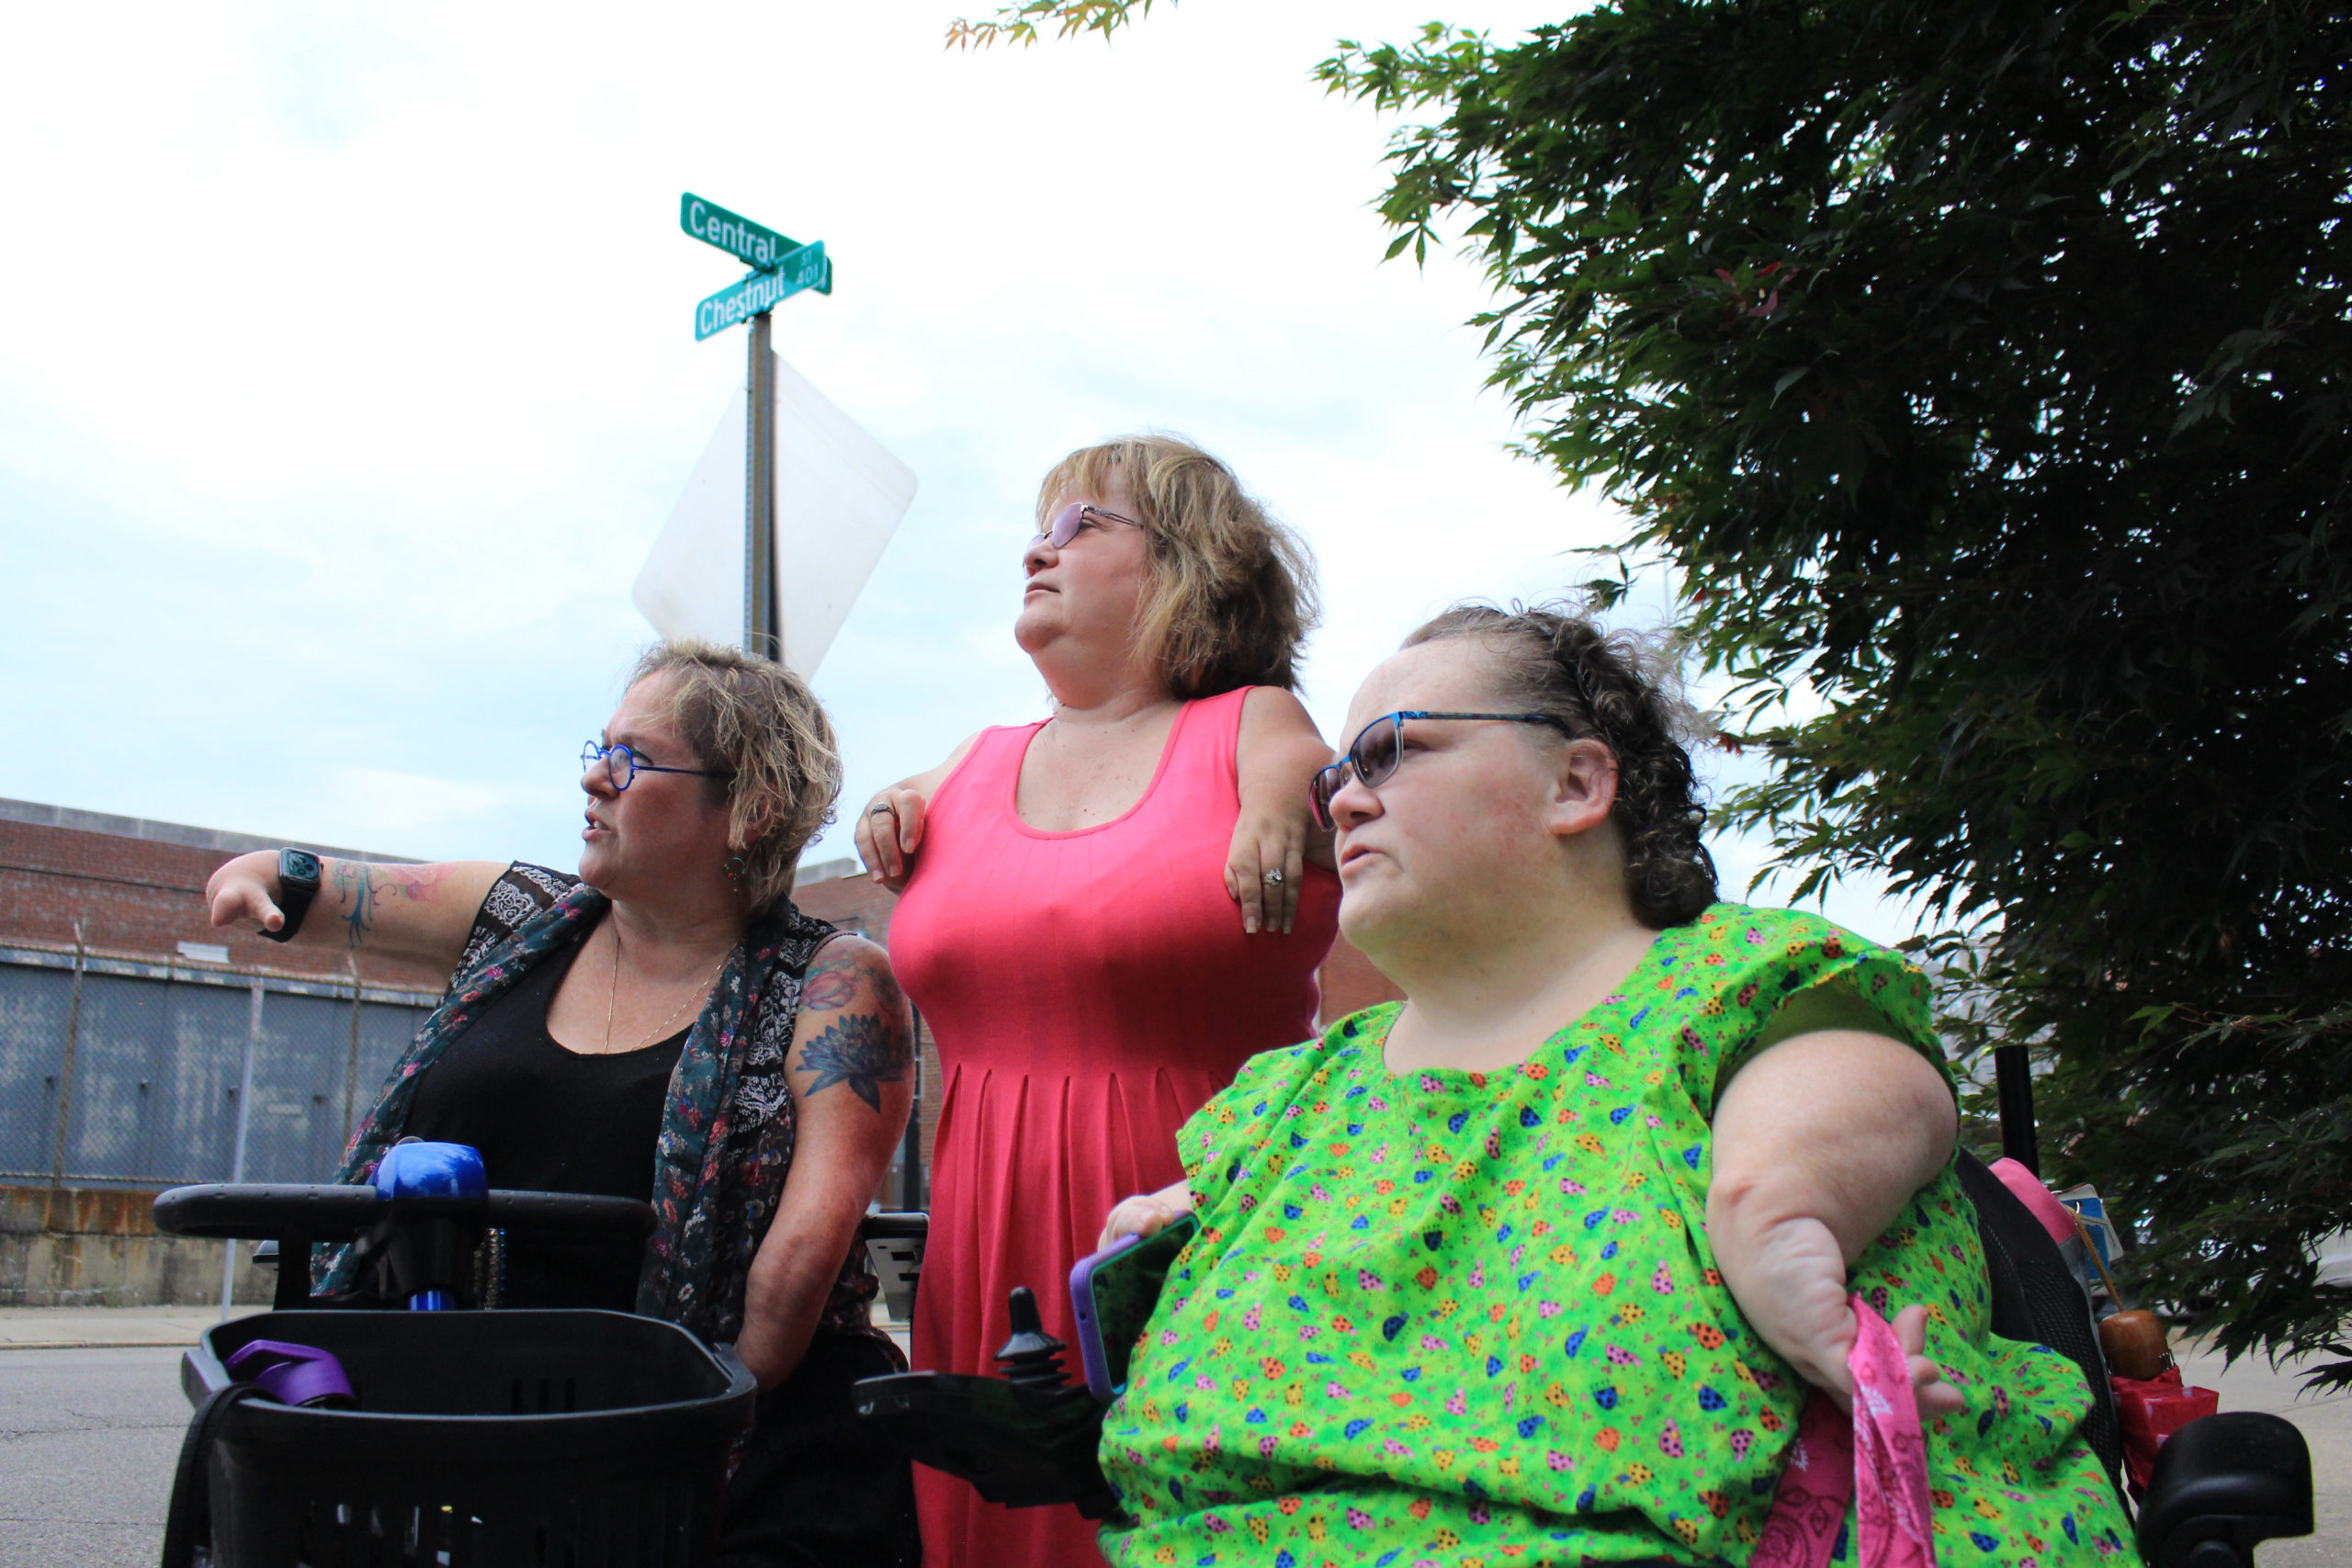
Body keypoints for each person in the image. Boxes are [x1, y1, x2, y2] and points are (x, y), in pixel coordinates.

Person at [1090, 604, 2138, 1564]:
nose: (1344, 798)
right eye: (1332, 778)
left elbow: (1888, 1090)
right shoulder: (1296, 1098)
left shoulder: (1732, 987)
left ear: (1577, 785)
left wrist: (1777, 1208)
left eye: (1393, 749)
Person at [204, 639, 922, 1568]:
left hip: (725, 1450)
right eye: (598, 746)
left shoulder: (833, 982)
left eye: (630, 759)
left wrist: (678, 1423)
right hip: (475, 1427)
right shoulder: (516, 916)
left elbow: (795, 1272)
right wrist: (264, 877)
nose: (593, 777)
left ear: (751, 809)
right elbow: (331, 888)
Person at [860, 434, 1343, 1568]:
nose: (1042, 547)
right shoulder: (971, 760)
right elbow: (904, 810)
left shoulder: (1255, 728)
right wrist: (885, 804)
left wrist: (1279, 805)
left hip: (1190, 1237)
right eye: (1040, 526)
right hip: (981, 1247)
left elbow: (1316, 786)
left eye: (1086, 525)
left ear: (1190, 567)